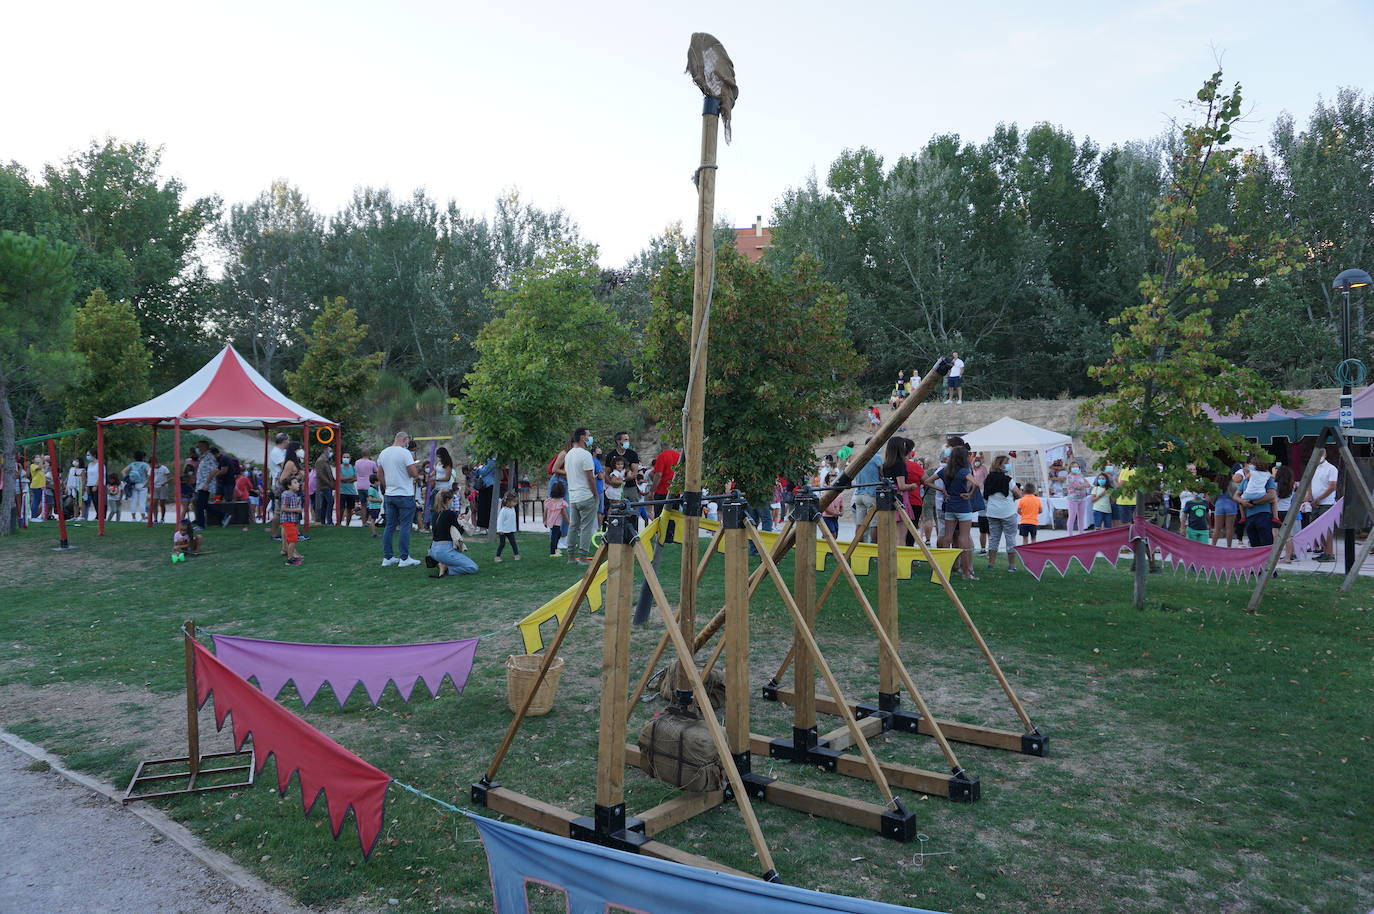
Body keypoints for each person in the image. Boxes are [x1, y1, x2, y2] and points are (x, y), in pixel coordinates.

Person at [377, 431, 422, 567]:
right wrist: (416, 475)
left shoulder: (383, 453)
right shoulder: (405, 453)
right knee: (405, 526)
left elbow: (379, 475)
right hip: (404, 494)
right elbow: (413, 472)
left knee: (389, 526)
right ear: (404, 439)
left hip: (390, 494)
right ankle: (404, 558)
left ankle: (388, 557)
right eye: (407, 441)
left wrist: (388, 486)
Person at [939, 445, 979, 580]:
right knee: (964, 538)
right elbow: (976, 484)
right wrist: (970, 494)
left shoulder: (945, 470)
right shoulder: (963, 471)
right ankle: (966, 573)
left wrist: (942, 491)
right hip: (963, 507)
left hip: (950, 506)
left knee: (947, 537)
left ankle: (944, 570)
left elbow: (927, 481)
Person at [564, 428, 597, 565]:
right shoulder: (585, 455)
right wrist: (595, 494)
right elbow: (590, 478)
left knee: (573, 526)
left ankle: (571, 557)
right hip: (586, 495)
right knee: (586, 527)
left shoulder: (568, 455)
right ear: (583, 437)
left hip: (573, 496)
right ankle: (583, 557)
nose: (590, 438)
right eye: (588, 435)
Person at [983, 456, 1022, 571]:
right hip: (1008, 512)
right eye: (1007, 463)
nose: (1008, 465)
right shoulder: (1008, 480)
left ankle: (991, 564)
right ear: (1000, 466)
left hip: (992, 512)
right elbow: (1019, 495)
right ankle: (1012, 565)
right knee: (1010, 538)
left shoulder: (988, 479)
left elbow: (985, 495)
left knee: (993, 538)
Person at [428, 489, 478, 576]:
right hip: (444, 551)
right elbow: (458, 533)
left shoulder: (436, 514)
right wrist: (465, 520)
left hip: (433, 550)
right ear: (447, 500)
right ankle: (446, 568)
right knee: (472, 567)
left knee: (457, 558)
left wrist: (458, 519)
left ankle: (441, 564)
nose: (452, 502)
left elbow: (443, 529)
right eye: (452, 500)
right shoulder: (450, 514)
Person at [1236, 458, 1278, 548]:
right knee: (1254, 545)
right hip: (1249, 517)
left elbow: (1272, 495)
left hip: (1263, 515)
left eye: (1251, 464)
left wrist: (1254, 502)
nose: (1249, 466)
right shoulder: (1246, 480)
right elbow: (1236, 496)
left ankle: (1268, 561)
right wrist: (1243, 502)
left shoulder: (1266, 478)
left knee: (1266, 543)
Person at [1309, 449, 1339, 562]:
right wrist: (1310, 498)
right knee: (1318, 529)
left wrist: (1319, 499)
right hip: (1315, 503)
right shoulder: (1314, 468)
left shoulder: (1331, 469)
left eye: (1320, 455)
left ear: (1325, 455)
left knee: (1327, 530)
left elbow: (1332, 487)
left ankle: (1330, 554)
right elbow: (1310, 484)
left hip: (1326, 503)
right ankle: (1324, 551)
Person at [850, 450, 883, 543]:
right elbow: (881, 473)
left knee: (860, 524)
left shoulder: (859, 457)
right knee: (874, 524)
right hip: (871, 494)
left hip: (858, 494)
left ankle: (858, 546)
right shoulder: (877, 457)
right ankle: (874, 547)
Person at [279, 474, 305, 566]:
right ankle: (290, 559)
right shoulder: (287, 494)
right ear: (289, 486)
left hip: (293, 521)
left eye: (297, 482)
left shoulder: (294, 494)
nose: (298, 484)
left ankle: (292, 557)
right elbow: (283, 508)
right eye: (295, 482)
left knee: (293, 539)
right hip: (288, 521)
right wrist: (296, 510)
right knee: (292, 540)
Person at [1274, 464, 1298, 562]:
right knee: (1288, 535)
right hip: (1287, 511)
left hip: (1276, 511)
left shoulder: (1275, 485)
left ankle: (1274, 556)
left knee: (1275, 535)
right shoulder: (1292, 485)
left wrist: (1272, 475)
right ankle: (1288, 557)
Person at [192, 441, 218, 531]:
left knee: (200, 505)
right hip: (201, 484)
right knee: (202, 504)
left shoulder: (209, 457)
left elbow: (214, 470)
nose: (197, 449)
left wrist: (207, 483)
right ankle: (224, 516)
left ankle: (201, 525)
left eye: (198, 447)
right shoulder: (203, 458)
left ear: (204, 447)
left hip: (205, 484)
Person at [1211, 470, 1240, 548]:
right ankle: (1229, 547)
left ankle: (1213, 545)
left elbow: (1212, 497)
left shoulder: (1215, 485)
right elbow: (1237, 496)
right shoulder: (1233, 484)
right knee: (1229, 528)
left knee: (1217, 528)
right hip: (1231, 506)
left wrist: (1215, 503)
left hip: (1219, 505)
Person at [648, 446, 680, 517]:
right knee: (673, 518)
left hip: (662, 492)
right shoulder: (678, 456)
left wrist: (652, 491)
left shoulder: (662, 456)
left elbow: (658, 474)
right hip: (675, 491)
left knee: (660, 517)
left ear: (661, 446)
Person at [1064, 461, 1091, 534]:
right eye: (1073, 467)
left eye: (1077, 467)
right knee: (1072, 517)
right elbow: (1077, 487)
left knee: (1081, 517)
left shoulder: (1080, 475)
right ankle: (1070, 534)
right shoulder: (1069, 477)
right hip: (1073, 499)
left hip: (1082, 499)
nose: (1075, 468)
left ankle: (1081, 533)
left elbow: (1088, 484)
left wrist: (1083, 485)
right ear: (1070, 468)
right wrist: (1083, 485)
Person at [353, 447, 378, 526]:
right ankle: (370, 520)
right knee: (372, 504)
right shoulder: (372, 463)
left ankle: (363, 522)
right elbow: (376, 472)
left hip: (360, 486)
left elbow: (355, 472)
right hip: (369, 486)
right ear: (369, 454)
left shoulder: (357, 462)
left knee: (363, 505)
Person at [267, 432, 288, 522]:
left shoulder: (282, 451)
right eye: (288, 440)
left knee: (282, 507)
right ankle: (275, 531)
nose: (288, 442)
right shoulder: (275, 452)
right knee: (278, 509)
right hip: (278, 483)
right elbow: (284, 465)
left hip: (283, 481)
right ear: (284, 441)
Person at [494, 491, 521, 562]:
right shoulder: (503, 510)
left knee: (513, 543)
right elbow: (500, 520)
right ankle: (497, 556)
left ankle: (516, 555)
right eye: (514, 502)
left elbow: (512, 520)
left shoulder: (513, 509)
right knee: (502, 544)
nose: (516, 503)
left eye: (516, 501)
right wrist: (499, 530)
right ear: (508, 501)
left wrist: (513, 528)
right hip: (503, 531)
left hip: (510, 530)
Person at [544, 479, 568, 557]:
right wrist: (568, 522)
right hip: (556, 523)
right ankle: (552, 552)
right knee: (554, 537)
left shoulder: (549, 501)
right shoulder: (562, 503)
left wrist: (545, 520)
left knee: (558, 534)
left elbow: (545, 511)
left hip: (550, 521)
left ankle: (555, 548)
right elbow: (564, 514)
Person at [313, 446, 335, 525]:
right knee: (330, 501)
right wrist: (329, 482)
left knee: (325, 503)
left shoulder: (325, 461)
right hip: (324, 486)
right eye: (330, 451)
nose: (331, 453)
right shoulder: (320, 461)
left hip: (327, 485)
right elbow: (320, 474)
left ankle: (323, 521)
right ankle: (329, 521)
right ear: (325, 451)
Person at [339, 452, 358, 526]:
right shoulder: (340, 467)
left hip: (351, 491)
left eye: (347, 457)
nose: (346, 459)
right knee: (341, 508)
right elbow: (340, 478)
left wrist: (346, 480)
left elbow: (356, 478)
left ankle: (348, 524)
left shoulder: (353, 467)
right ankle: (339, 522)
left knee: (350, 509)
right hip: (342, 491)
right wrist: (350, 478)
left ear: (350, 458)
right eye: (344, 457)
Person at [28, 456, 46, 521]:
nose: (38, 458)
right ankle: (33, 517)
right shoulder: (32, 465)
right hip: (36, 486)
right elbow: (39, 467)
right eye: (36, 457)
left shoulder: (40, 466)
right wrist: (42, 460)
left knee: (38, 501)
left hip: (41, 486)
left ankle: (36, 516)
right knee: (36, 501)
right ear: (33, 460)